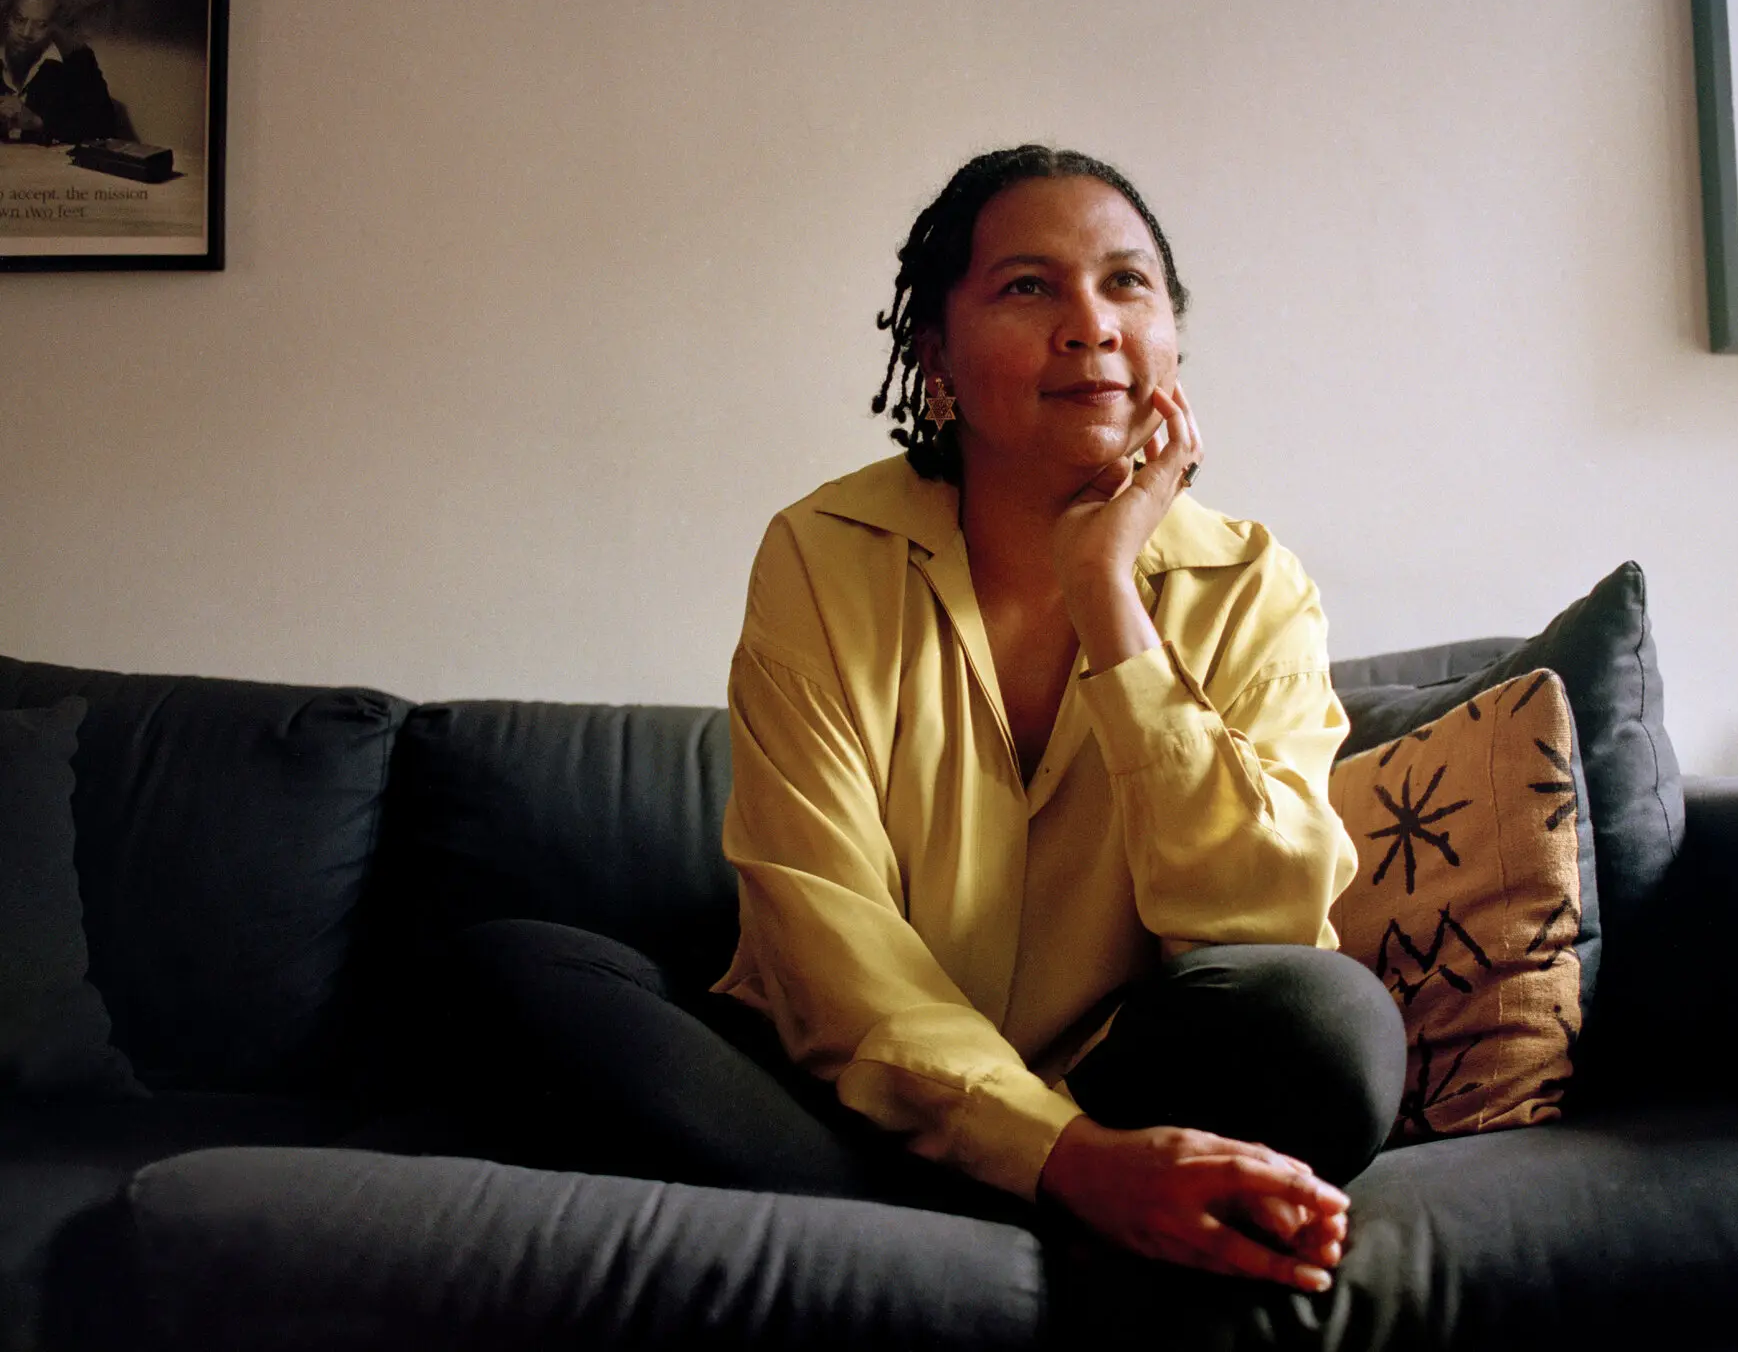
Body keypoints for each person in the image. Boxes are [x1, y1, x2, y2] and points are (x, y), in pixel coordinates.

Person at [452, 145, 1406, 1296]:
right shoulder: (822, 554)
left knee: (1328, 1023)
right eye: (1026, 286)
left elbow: (1253, 915)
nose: (1089, 325)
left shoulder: (1254, 584)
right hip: (847, 1095)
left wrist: (1111, 601)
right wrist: (1061, 1159)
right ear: (935, 356)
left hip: (1131, 1085)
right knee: (513, 974)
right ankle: (1039, 1210)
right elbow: (826, 936)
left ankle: (919, 1235)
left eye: (1125, 284)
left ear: (1171, 344)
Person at [0, 0, 120, 145]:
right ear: (6, 18)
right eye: (19, 20)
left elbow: (104, 129)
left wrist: (37, 122)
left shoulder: (78, 62)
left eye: (41, 25)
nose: (27, 33)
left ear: (54, 27)